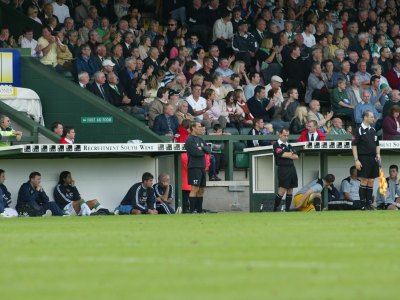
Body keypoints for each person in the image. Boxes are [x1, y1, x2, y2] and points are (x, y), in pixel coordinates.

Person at [352, 110, 380, 210]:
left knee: (371, 180)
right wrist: (356, 160)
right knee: (364, 180)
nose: (373, 118)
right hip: (363, 157)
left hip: (373, 158)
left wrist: (378, 154)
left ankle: (369, 204)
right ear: (365, 117)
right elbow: (354, 146)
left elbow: (377, 144)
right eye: (371, 117)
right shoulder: (357, 130)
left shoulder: (373, 130)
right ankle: (362, 204)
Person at [184, 121, 211, 213]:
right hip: (194, 167)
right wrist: (203, 150)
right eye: (199, 126)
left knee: (201, 189)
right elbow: (196, 153)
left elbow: (208, 149)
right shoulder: (189, 140)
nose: (201, 128)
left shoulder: (200, 139)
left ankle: (199, 210)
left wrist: (202, 148)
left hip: (202, 167)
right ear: (193, 128)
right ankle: (192, 210)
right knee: (194, 188)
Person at [270, 128, 299, 212]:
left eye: (287, 135)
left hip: (292, 168)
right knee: (282, 190)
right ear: (280, 135)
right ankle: (275, 208)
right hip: (283, 168)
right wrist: (290, 154)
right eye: (284, 135)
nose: (286, 137)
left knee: (290, 189)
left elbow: (296, 156)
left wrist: (288, 154)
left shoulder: (289, 145)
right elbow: (281, 154)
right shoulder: (276, 145)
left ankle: (287, 209)